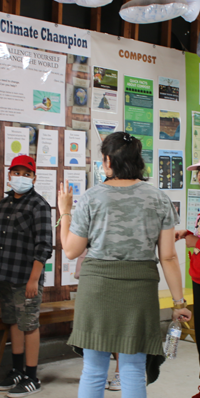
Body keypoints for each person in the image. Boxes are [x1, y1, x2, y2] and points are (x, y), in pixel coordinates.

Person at [57, 131, 191, 398]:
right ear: (137, 161)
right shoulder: (158, 198)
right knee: (132, 368)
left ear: (107, 161)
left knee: (94, 369)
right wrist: (179, 303)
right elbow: (168, 257)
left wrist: (65, 212)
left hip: (97, 288)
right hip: (139, 289)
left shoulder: (91, 198)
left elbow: (71, 250)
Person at [0, 155, 52, 397]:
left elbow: (44, 246)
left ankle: (32, 376)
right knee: (13, 322)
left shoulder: (39, 205)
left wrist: (34, 280)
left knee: (29, 324)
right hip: (5, 276)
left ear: (34, 177)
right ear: (9, 175)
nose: (21, 178)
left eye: (26, 174)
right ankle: (16, 370)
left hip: (27, 278)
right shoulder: (4, 204)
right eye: (16, 173)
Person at [75, 250, 121, 391]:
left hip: (118, 279)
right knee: (96, 329)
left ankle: (120, 373)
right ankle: (97, 375)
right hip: (94, 280)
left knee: (117, 329)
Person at [175, 162, 200, 398]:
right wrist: (188, 234)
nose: (199, 178)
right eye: (198, 173)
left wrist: (197, 243)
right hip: (198, 277)